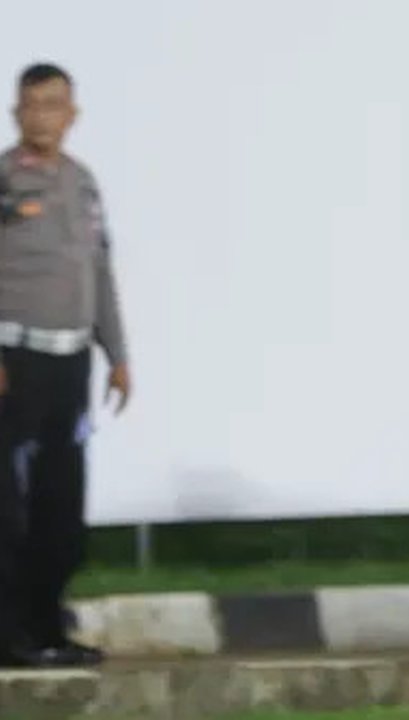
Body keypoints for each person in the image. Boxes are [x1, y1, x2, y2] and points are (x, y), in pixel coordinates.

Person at [0, 62, 131, 668]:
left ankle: (49, 628)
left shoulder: (83, 183)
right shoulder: (5, 180)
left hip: (71, 362)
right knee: (11, 506)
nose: (42, 116)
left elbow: (99, 271)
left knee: (60, 503)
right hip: (14, 360)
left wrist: (117, 355)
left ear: (72, 114)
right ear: (16, 113)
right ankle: (12, 635)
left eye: (54, 105)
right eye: (32, 105)